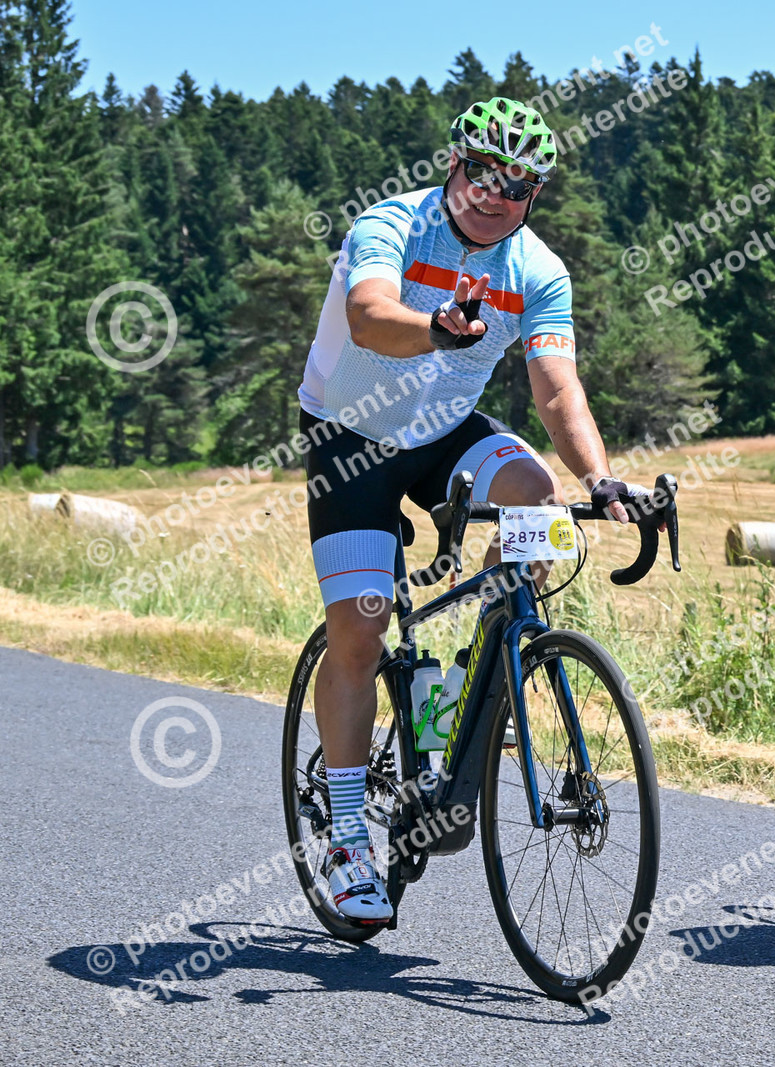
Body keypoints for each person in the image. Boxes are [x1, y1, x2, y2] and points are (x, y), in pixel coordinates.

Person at [296, 97, 640, 922]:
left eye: (517, 185)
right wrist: (438, 330)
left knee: (539, 503)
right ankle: (347, 836)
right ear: (453, 167)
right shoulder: (392, 224)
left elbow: (556, 387)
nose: (495, 194)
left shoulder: (538, 271)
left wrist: (600, 479)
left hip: (445, 431)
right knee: (360, 629)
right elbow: (368, 318)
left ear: (535, 195)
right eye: (482, 173)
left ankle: (472, 681)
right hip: (351, 438)